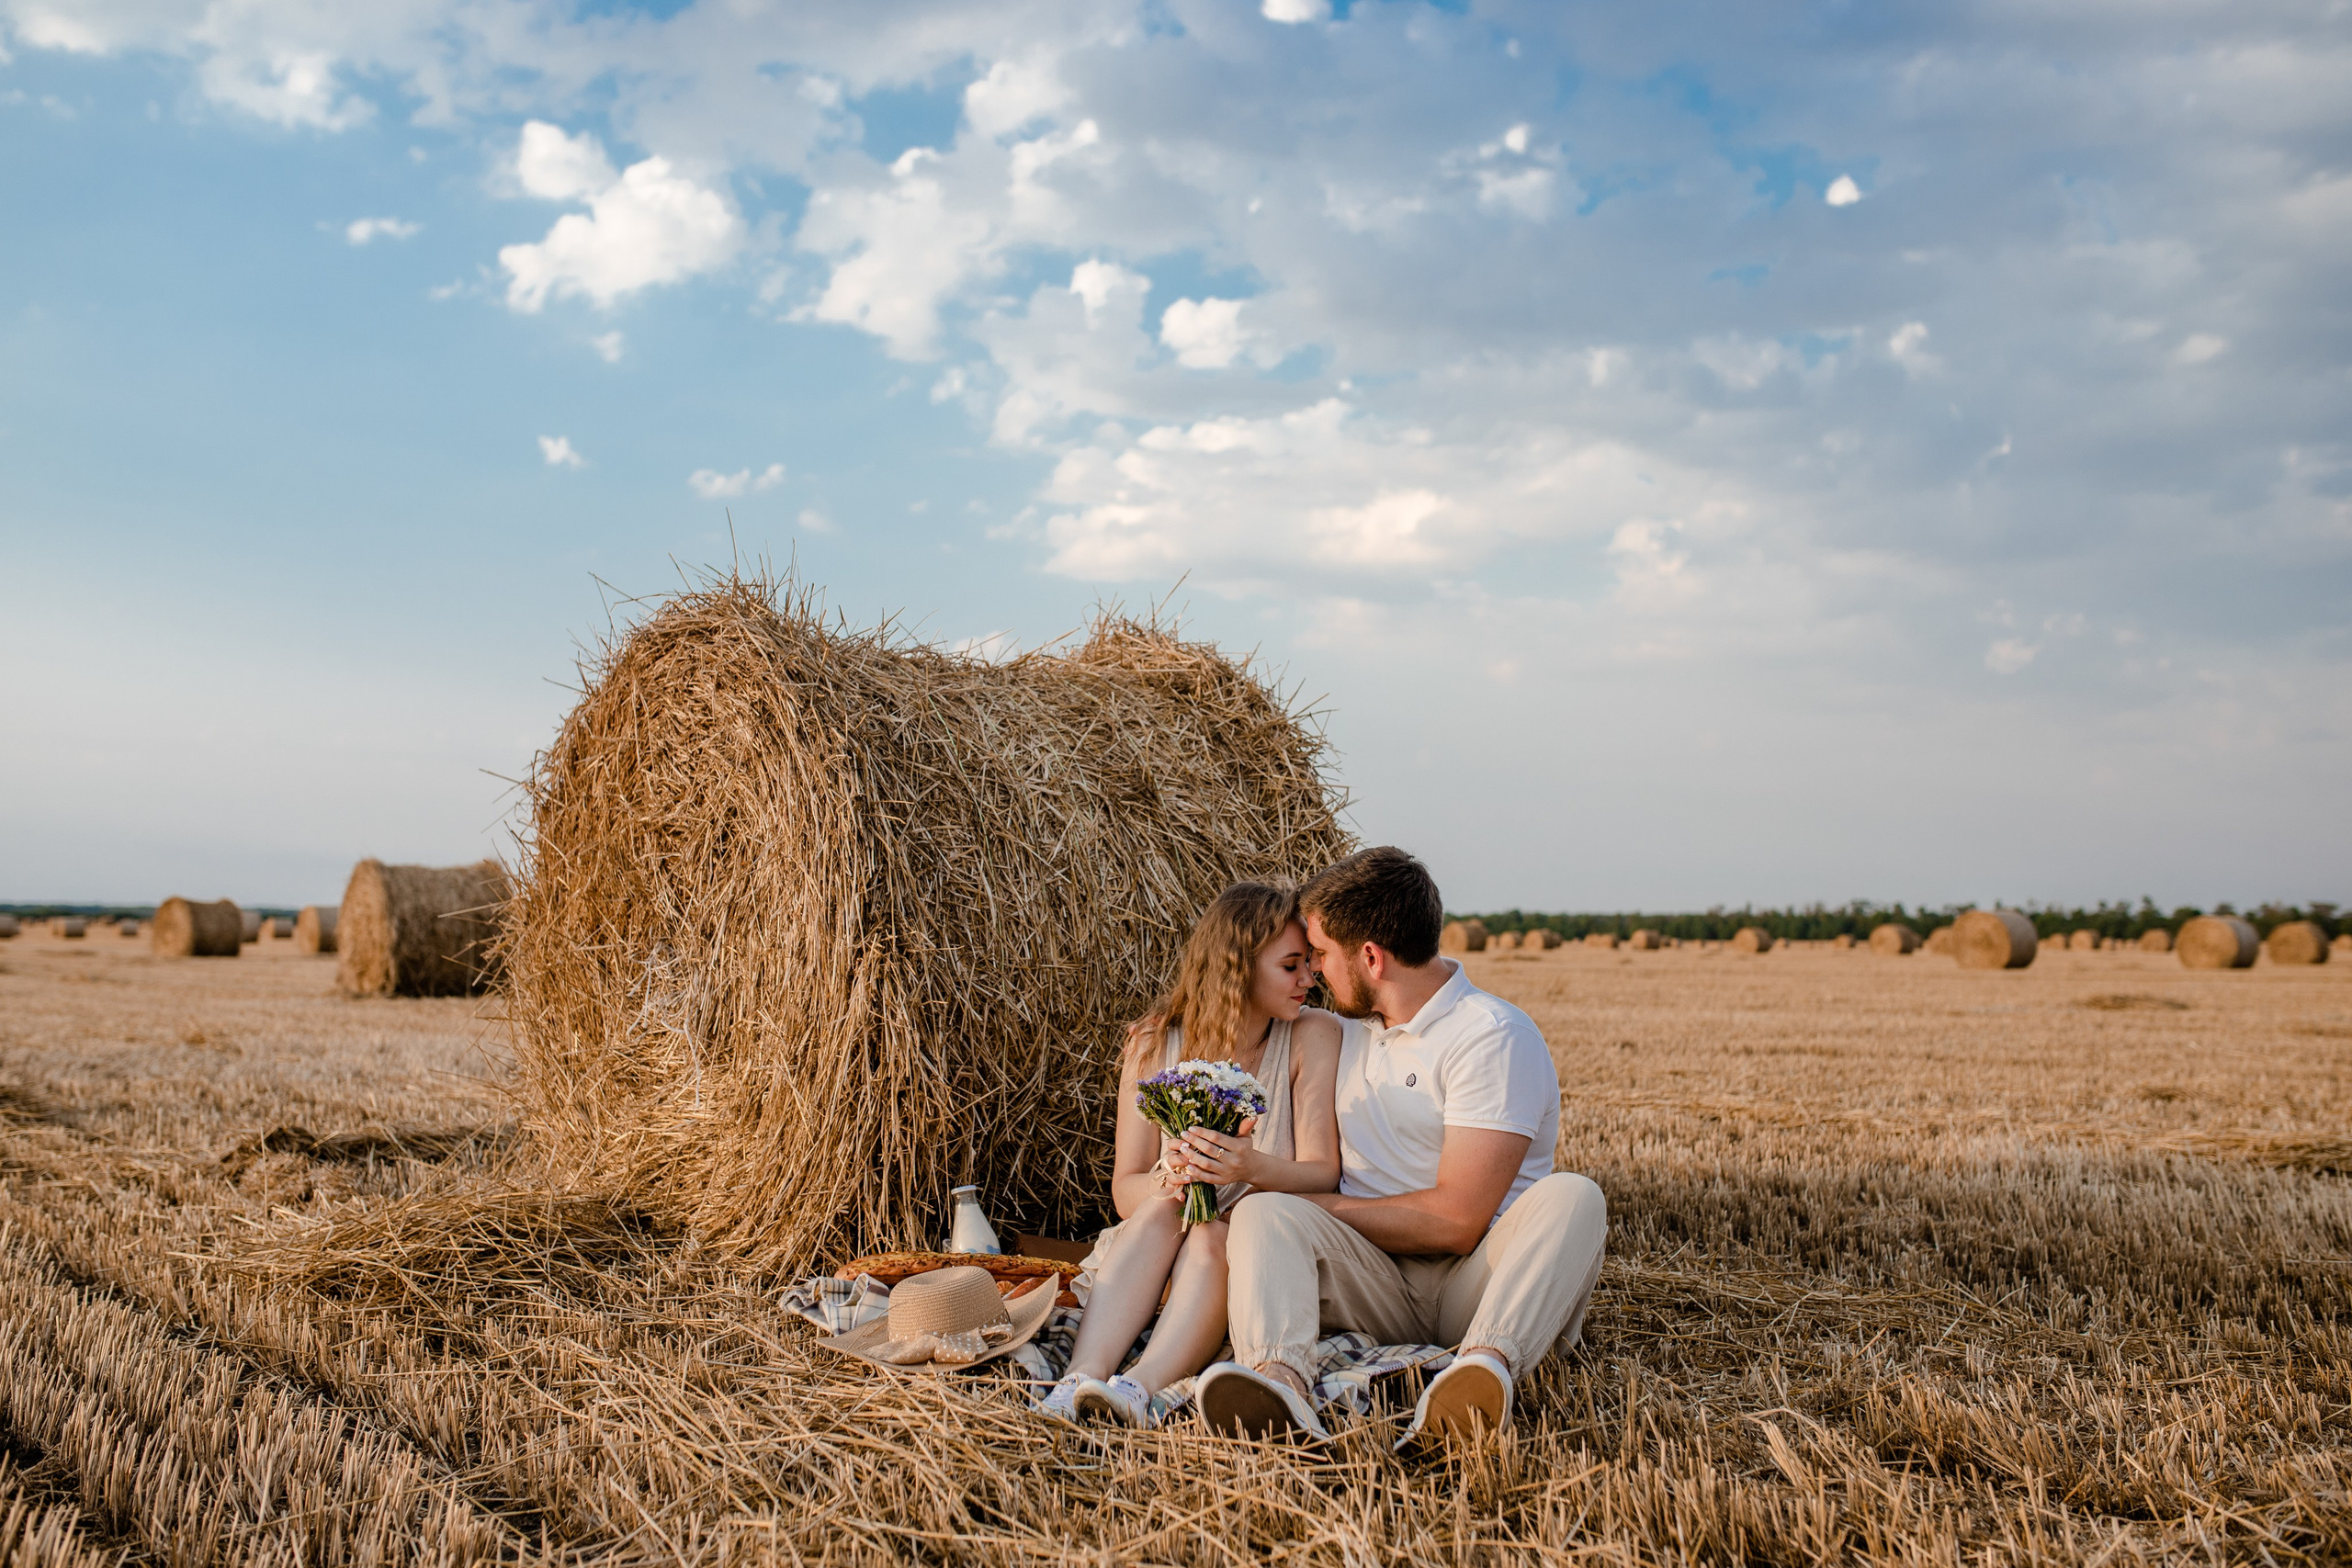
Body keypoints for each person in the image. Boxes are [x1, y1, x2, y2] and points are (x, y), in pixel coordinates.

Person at [1196, 847, 1607, 1449]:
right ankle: (1280, 1384)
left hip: (1480, 1281)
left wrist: (1323, 1211)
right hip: (1376, 1280)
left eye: (1321, 955)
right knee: (1264, 1209)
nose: (1312, 972)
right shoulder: (1341, 1032)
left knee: (1575, 1196)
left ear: (1370, 957)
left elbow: (1457, 1222)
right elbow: (1239, 1021)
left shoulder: (1490, 1036)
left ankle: (1481, 1375)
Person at [1034, 882, 1343, 1428]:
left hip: (1253, 1243)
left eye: (1309, 964)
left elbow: (1323, 1173)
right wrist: (1169, 1176)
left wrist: (1249, 1168)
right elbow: (1125, 1188)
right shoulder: (1154, 1043)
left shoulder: (1309, 1035)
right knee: (1164, 1209)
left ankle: (1139, 1388)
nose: (1308, 979)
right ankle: (1079, 1379)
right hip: (1157, 1234)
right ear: (1238, 968)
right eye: (1291, 966)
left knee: (1214, 1231)